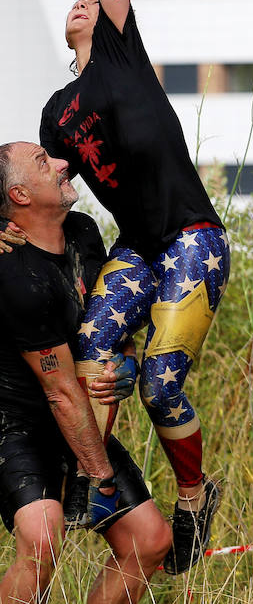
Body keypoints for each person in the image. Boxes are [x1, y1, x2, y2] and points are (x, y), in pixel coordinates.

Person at [39, 0, 231, 574]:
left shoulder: (122, 47)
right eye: (76, 4)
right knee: (93, 353)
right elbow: (49, 193)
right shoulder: (57, 114)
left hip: (192, 237)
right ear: (67, 32)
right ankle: (99, 484)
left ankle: (192, 497)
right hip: (139, 244)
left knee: (158, 380)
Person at [0, 141, 171, 604]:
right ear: (20, 195)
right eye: (43, 162)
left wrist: (128, 362)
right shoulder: (16, 274)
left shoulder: (83, 231)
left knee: (150, 541)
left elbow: (110, 318)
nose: (61, 163)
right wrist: (98, 476)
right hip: (19, 424)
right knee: (42, 539)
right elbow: (59, 390)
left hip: (76, 416)